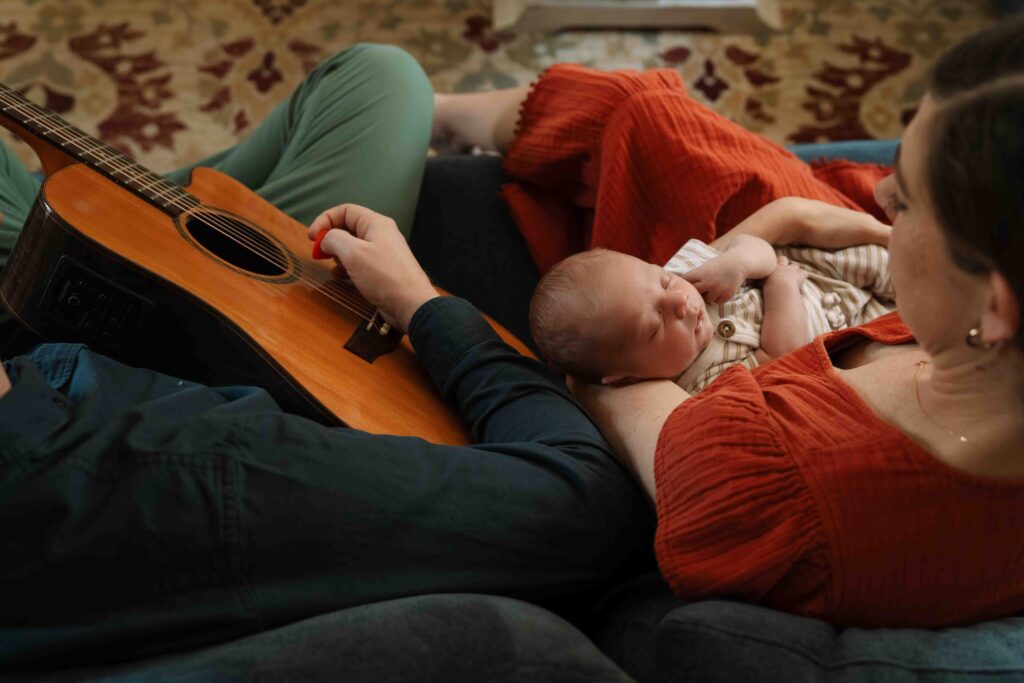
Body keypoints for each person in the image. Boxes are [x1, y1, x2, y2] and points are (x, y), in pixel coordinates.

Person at [0, 46, 654, 669]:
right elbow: (583, 507)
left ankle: (97, 200)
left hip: (47, 367)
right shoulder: (180, 471)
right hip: (136, 371)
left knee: (379, 73)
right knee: (387, 86)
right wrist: (418, 302)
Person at [433, 18, 1024, 628]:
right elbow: (795, 226)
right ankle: (448, 115)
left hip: (726, 313)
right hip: (804, 272)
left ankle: (444, 119)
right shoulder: (968, 343)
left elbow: (589, 374)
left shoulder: (772, 486)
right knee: (654, 122)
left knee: (640, 124)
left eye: (908, 200)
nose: (882, 196)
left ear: (994, 305)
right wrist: (738, 258)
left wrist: (414, 299)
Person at [529, 197, 893, 390]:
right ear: (626, 377)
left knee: (891, 262)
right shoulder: (704, 385)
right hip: (847, 326)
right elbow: (787, 357)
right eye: (655, 325)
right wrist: (781, 290)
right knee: (904, 324)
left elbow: (762, 248)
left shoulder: (689, 270)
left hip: (818, 272)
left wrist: (736, 262)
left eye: (662, 281)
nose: (680, 302)